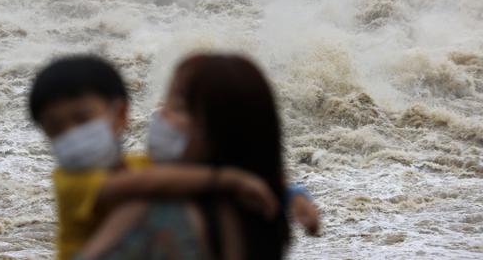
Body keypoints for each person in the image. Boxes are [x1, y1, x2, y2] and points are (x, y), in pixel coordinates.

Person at [28, 55, 280, 260]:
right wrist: (228, 178)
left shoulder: (146, 177)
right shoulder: (70, 181)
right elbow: (147, 182)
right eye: (54, 127)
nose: (71, 134)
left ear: (121, 113)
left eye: (82, 119)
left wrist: (294, 193)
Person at [78, 54, 320, 260]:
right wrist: (295, 195)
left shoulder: (154, 216)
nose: (161, 115)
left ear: (226, 128)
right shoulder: (258, 211)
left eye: (179, 106)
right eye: (165, 101)